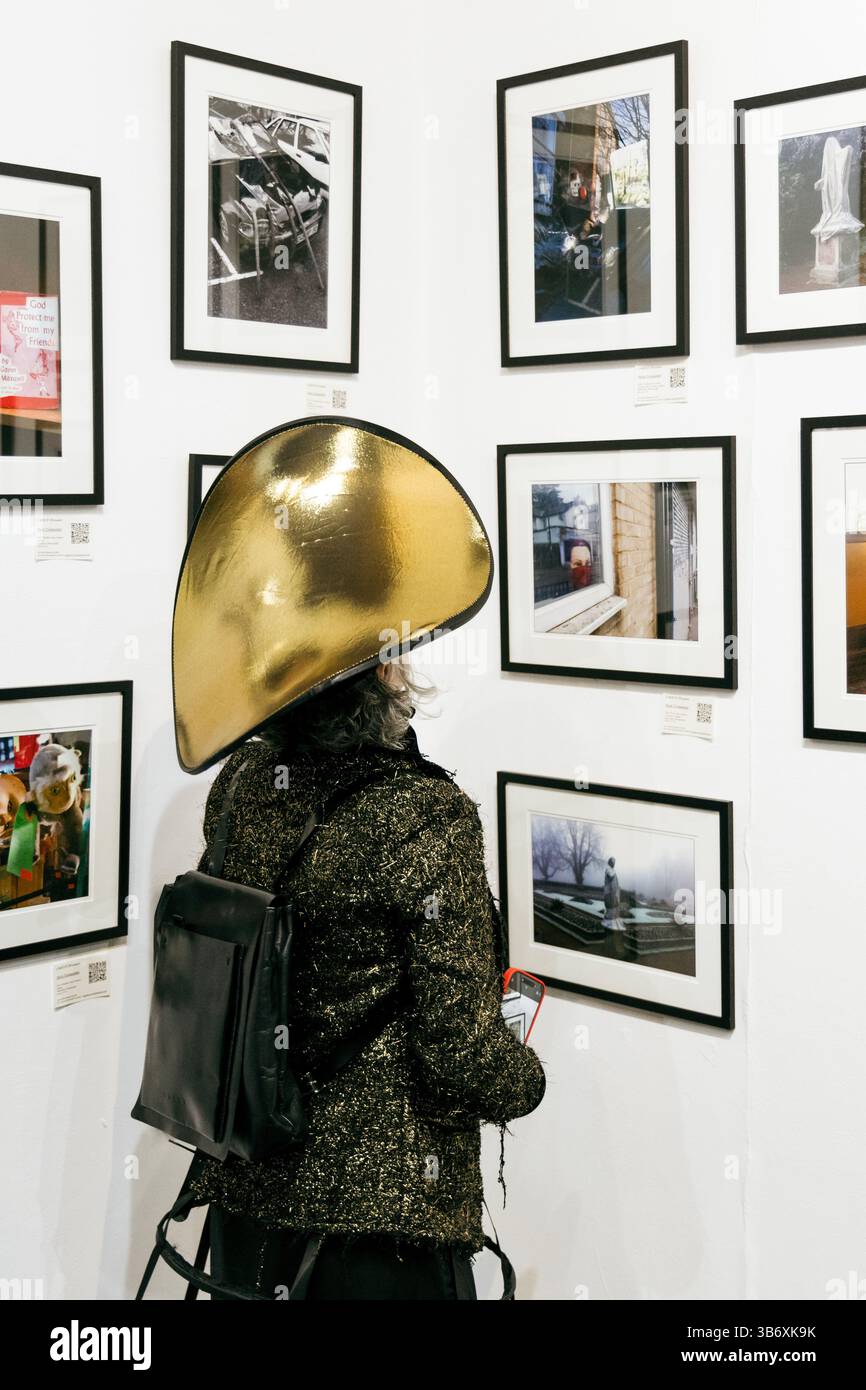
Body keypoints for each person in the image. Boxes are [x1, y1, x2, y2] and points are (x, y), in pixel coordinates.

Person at [170, 418, 548, 1300]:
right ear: (382, 669)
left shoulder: (245, 783)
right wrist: (525, 1078)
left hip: (249, 1202)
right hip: (375, 1238)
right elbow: (461, 1051)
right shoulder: (423, 818)